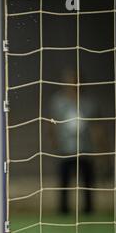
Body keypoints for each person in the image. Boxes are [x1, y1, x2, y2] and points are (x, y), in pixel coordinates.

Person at [50, 68, 97, 215]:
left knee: (87, 183)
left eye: (76, 80)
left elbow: (97, 126)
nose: (73, 83)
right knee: (64, 182)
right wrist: (53, 142)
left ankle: (88, 211)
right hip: (65, 149)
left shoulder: (89, 102)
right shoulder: (58, 101)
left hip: (85, 148)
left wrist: (100, 147)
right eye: (70, 81)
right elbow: (51, 123)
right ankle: (63, 210)